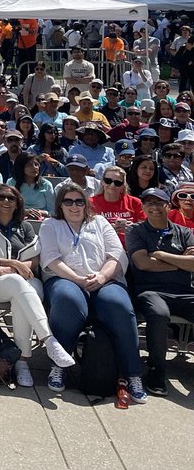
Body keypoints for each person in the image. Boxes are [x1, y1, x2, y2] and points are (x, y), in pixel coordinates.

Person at [39, 181, 146, 400]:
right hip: (65, 279)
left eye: (79, 201)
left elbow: (117, 253)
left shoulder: (99, 222)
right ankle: (60, 364)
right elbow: (50, 258)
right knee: (68, 299)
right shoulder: (51, 224)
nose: (74, 206)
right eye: (68, 201)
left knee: (119, 305)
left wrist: (103, 276)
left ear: (86, 204)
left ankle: (132, 373)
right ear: (60, 205)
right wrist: (77, 279)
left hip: (103, 279)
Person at [0, 185, 75, 387]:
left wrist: (10, 269)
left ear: (18, 202)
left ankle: (22, 363)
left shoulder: (24, 227)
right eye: (2, 197)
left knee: (24, 294)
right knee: (20, 285)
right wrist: (13, 263)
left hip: (21, 279)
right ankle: (48, 340)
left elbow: (34, 261)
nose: (6, 201)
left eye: (11, 198)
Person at [126, 187, 194, 396]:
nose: (154, 207)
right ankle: (157, 369)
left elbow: (193, 264)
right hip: (149, 291)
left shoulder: (184, 232)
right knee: (159, 314)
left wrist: (161, 254)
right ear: (144, 207)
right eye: (149, 203)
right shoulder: (136, 231)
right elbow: (143, 263)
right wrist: (179, 262)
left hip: (183, 291)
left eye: (159, 203)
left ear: (167, 205)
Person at [90, 166, 144, 245]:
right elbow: (87, 231)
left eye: (118, 183)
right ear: (102, 182)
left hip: (131, 246)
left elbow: (145, 228)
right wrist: (108, 230)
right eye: (108, 181)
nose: (112, 185)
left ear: (123, 186)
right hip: (102, 245)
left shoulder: (135, 202)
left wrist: (132, 228)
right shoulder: (91, 203)